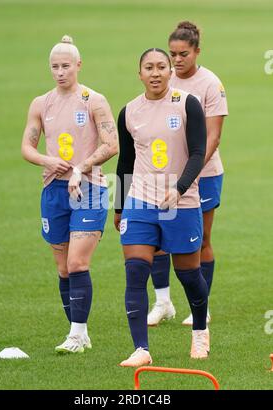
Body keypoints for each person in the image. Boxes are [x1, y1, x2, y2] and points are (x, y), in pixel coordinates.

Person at [21, 35, 118, 353]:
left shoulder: (94, 100)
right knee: (63, 268)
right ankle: (79, 333)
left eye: (66, 66)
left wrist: (82, 167)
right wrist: (48, 160)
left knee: (77, 263)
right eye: (54, 66)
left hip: (89, 189)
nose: (60, 72)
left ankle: (76, 335)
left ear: (78, 65)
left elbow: (111, 145)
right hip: (53, 190)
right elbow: (26, 147)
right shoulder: (40, 103)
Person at [114, 48, 208, 366]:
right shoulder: (129, 112)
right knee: (136, 270)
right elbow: (125, 162)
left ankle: (199, 331)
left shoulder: (187, 104)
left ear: (170, 71)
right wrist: (118, 207)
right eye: (148, 68)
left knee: (188, 273)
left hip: (181, 201)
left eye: (161, 67)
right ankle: (142, 349)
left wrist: (179, 189)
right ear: (139, 73)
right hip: (140, 200)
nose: (155, 73)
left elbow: (198, 152)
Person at [148, 21, 228, 327]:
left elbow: (213, 136)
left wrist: (189, 173)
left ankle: (201, 307)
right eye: (172, 54)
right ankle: (163, 303)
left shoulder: (210, 85)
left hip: (203, 175)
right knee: (157, 239)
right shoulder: (164, 82)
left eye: (183, 54)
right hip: (163, 176)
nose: (177, 60)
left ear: (197, 52)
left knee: (201, 241)